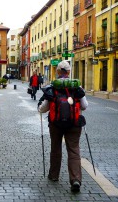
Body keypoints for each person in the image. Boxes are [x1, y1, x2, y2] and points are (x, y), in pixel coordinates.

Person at [37, 60, 88, 193]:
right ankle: (75, 179)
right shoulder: (77, 86)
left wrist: (39, 108)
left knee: (56, 148)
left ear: (58, 72)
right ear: (69, 72)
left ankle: (54, 175)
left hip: (56, 123)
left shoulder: (54, 86)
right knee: (74, 150)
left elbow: (45, 108)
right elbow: (84, 106)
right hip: (74, 123)